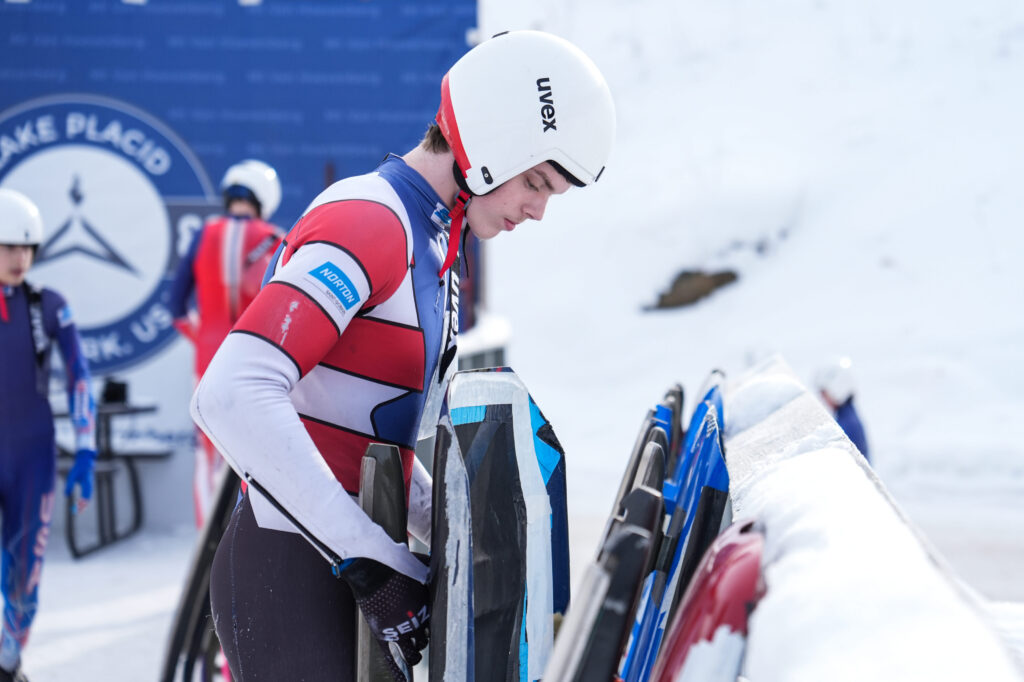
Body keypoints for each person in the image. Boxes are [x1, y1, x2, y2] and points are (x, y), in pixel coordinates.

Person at [190, 30, 615, 680]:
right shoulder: (371, 219)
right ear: (488, 143)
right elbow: (232, 393)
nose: (537, 211)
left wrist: (446, 526)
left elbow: (368, 435)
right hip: (291, 577)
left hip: (330, 567)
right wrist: (370, 558)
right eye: (536, 182)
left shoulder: (434, 243)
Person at [0, 188, 97, 682]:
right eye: (7, 247)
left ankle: (8, 661)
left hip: (33, 457)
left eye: (26, 248)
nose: (19, 258)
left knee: (24, 577)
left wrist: (85, 450)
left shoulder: (49, 305)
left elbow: (80, 375)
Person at [168, 160, 285, 526]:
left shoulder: (204, 234)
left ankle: (208, 542)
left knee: (208, 458)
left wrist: (201, 337)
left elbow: (175, 306)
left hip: (208, 362)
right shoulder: (276, 238)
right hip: (258, 363)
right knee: (257, 454)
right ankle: (247, 536)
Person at [815, 356, 871, 462]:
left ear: (836, 388)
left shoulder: (847, 425)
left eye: (824, 393)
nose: (822, 398)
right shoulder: (849, 418)